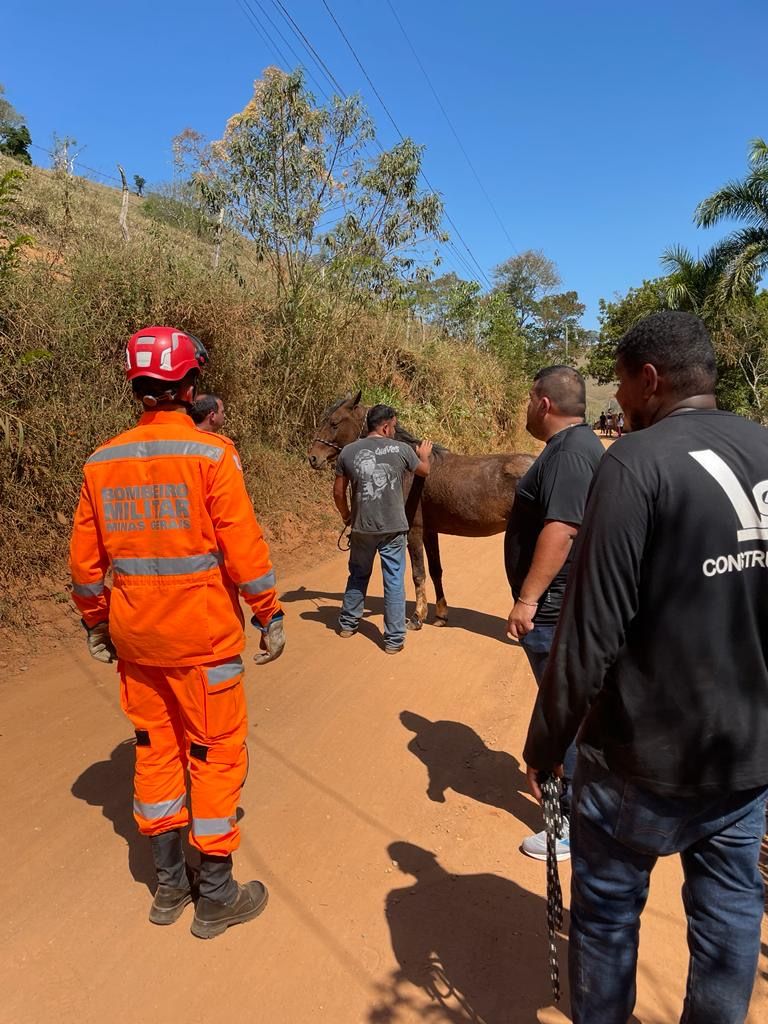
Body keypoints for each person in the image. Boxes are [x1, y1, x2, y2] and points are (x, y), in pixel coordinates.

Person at [524, 311, 768, 1023]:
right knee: (729, 917)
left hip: (639, 760)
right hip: (746, 756)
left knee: (605, 919)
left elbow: (589, 634)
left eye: (625, 385)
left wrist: (547, 744)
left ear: (650, 379)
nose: (620, 404)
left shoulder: (634, 463)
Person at [69, 325, 286, 939]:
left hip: (136, 643)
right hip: (205, 642)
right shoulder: (213, 456)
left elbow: (84, 566)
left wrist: (96, 623)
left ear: (138, 388)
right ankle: (216, 894)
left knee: (155, 752)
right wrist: (268, 612)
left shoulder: (101, 461)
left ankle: (168, 888)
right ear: (189, 386)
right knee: (214, 757)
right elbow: (243, 549)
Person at [505, 366, 603, 860]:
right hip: (560, 608)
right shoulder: (573, 450)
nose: (525, 408)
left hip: (554, 612)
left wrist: (528, 600)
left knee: (563, 715)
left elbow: (562, 528)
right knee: (564, 710)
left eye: (528, 399)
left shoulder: (568, 455)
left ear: (543, 403)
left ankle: (567, 827)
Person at [334, 403, 432, 653]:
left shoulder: (348, 452)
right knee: (394, 580)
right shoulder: (401, 450)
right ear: (386, 426)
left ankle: (347, 624)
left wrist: (347, 516)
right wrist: (423, 455)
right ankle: (393, 639)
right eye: (394, 426)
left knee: (357, 574)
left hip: (361, 527)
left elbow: (338, 492)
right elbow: (424, 471)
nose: (395, 430)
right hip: (392, 529)